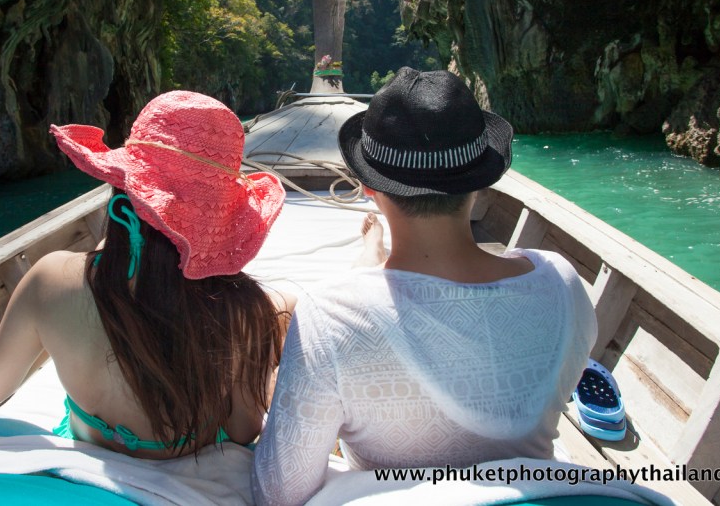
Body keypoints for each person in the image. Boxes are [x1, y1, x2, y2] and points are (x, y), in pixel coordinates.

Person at [252, 68, 597, 504]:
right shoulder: (561, 282)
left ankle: (372, 257)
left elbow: (278, 494)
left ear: (366, 187)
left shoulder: (330, 317)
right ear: (482, 178)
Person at [0, 90, 290, 457]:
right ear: (218, 217)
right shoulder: (242, 306)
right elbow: (242, 431)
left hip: (84, 453)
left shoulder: (51, 278)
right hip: (185, 464)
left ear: (122, 186)